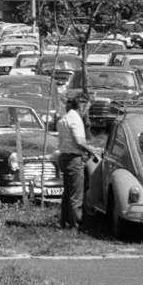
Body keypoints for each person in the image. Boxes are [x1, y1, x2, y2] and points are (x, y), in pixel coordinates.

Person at [57, 93, 99, 229]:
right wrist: (92, 151)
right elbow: (79, 141)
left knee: (68, 192)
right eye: (87, 108)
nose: (87, 112)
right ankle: (76, 225)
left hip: (64, 156)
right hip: (74, 159)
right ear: (81, 106)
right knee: (76, 195)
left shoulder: (64, 118)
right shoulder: (75, 120)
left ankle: (65, 221)